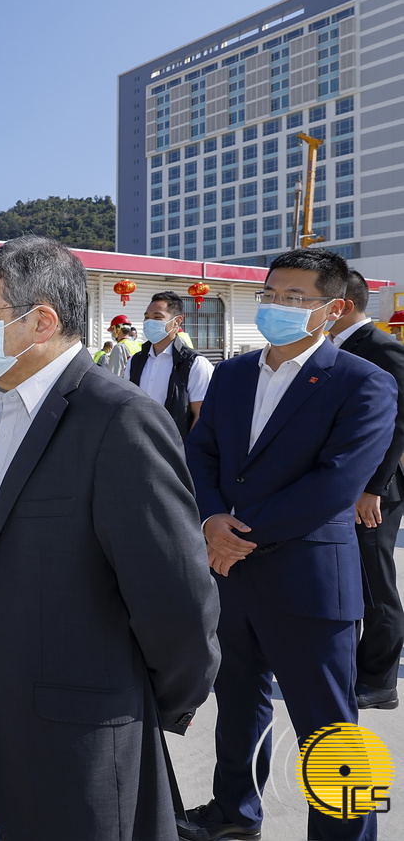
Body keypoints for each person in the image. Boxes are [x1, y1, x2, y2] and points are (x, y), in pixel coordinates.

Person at [0, 235, 220, 841]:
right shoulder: (6, 409)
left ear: (41, 321)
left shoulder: (117, 416)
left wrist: (146, 701)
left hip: (85, 726)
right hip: (5, 703)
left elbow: (177, 597)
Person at [181, 248, 394, 841]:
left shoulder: (363, 382)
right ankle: (234, 814)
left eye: (295, 298)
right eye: (271, 295)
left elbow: (335, 485)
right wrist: (211, 520)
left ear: (334, 309)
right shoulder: (231, 375)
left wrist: (235, 535)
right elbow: (201, 452)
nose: (277, 306)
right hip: (230, 576)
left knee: (329, 729)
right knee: (238, 704)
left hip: (307, 581)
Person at [329, 270, 404, 712]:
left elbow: (399, 422)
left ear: (343, 304)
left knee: (376, 586)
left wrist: (373, 488)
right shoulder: (332, 347)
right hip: (343, 486)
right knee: (351, 581)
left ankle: (379, 681)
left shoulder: (381, 347)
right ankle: (353, 668)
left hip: (373, 491)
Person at [126, 291, 214, 439]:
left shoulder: (195, 364)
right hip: (138, 444)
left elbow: (202, 415)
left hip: (175, 448)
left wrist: (186, 449)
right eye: (146, 317)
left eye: (157, 317)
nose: (149, 322)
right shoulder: (135, 362)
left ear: (177, 321)